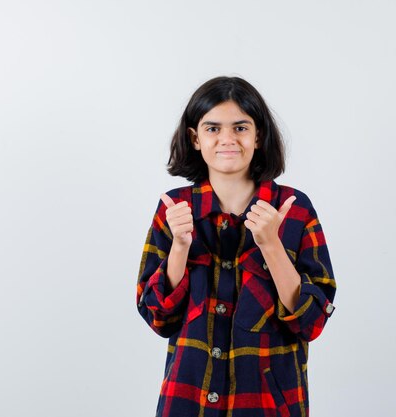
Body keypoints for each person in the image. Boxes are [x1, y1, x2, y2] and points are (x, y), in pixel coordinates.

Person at [135, 76, 337, 417]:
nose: (227, 139)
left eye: (240, 127)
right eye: (212, 128)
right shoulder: (174, 209)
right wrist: (180, 248)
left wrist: (271, 245)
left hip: (267, 405)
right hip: (188, 400)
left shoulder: (294, 208)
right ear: (194, 138)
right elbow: (157, 317)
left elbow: (312, 323)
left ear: (258, 136)